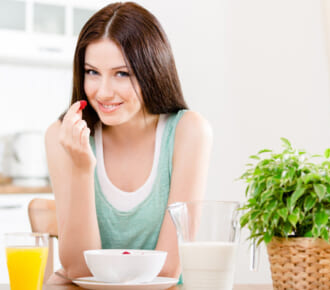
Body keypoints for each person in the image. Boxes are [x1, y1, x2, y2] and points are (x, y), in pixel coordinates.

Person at [45, 1, 212, 284]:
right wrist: (82, 168)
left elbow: (169, 269)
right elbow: (79, 270)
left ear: (152, 70)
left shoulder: (188, 132)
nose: (104, 92)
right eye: (92, 72)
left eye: (122, 74)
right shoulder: (63, 135)